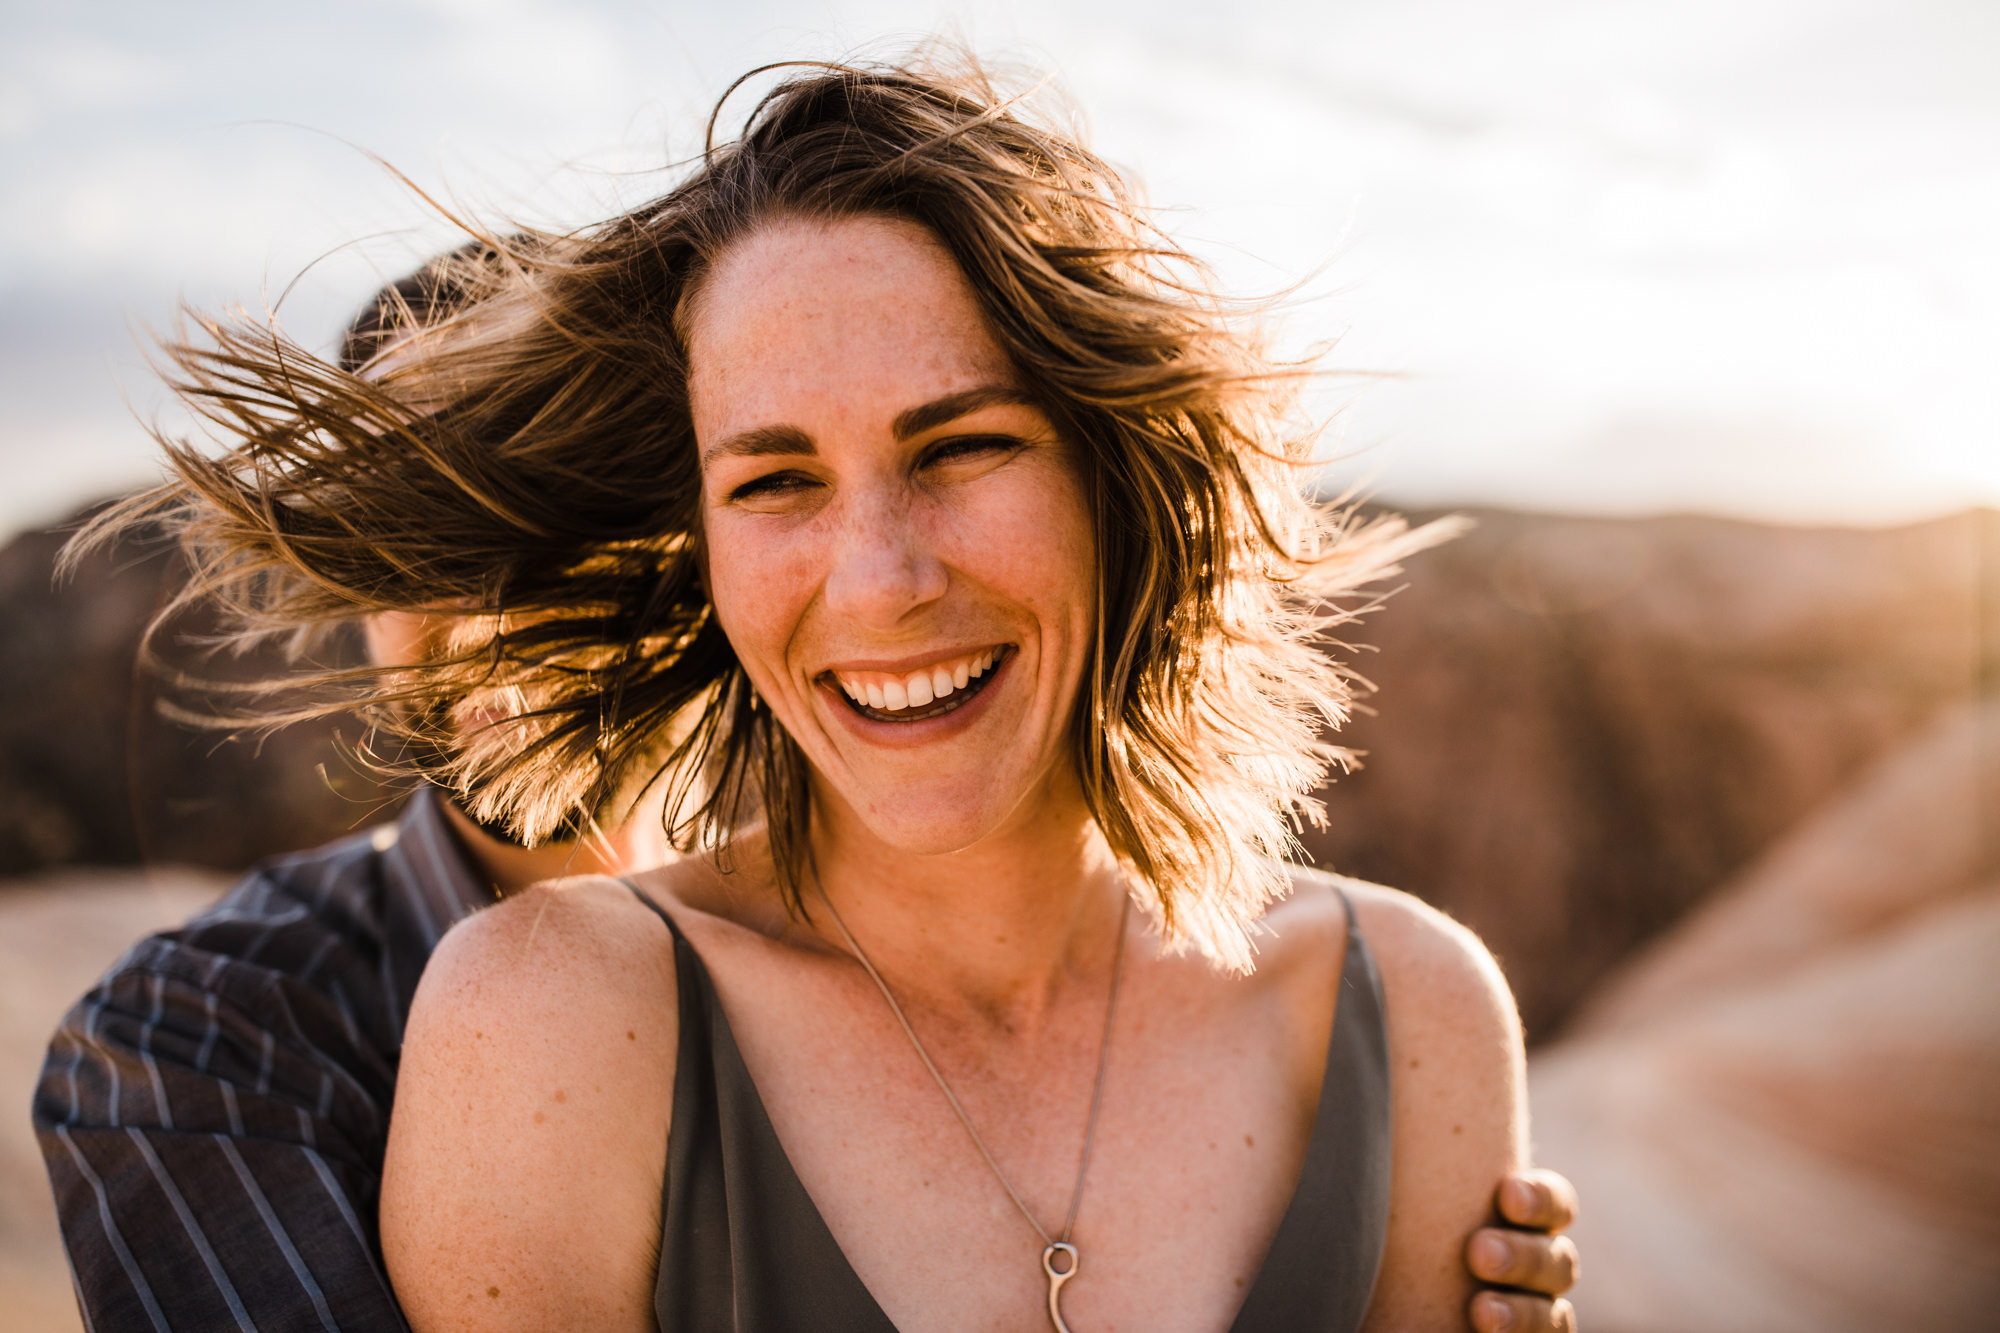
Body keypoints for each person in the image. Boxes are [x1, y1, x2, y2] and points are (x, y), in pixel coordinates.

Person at [38, 54, 1579, 1332]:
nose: (881, 576)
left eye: (962, 445)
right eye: (778, 475)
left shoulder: (1410, 1006)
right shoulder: (259, 1028)